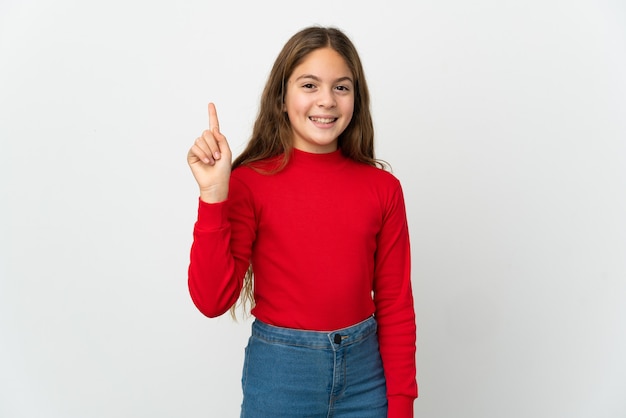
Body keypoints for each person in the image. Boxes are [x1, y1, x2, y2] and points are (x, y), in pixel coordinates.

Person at [186, 26, 417, 418]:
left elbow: (395, 304)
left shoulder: (383, 188)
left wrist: (400, 405)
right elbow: (212, 301)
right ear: (282, 97)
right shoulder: (248, 183)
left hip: (366, 378)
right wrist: (213, 197)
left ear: (356, 99)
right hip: (281, 374)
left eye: (341, 87)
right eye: (309, 85)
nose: (326, 100)